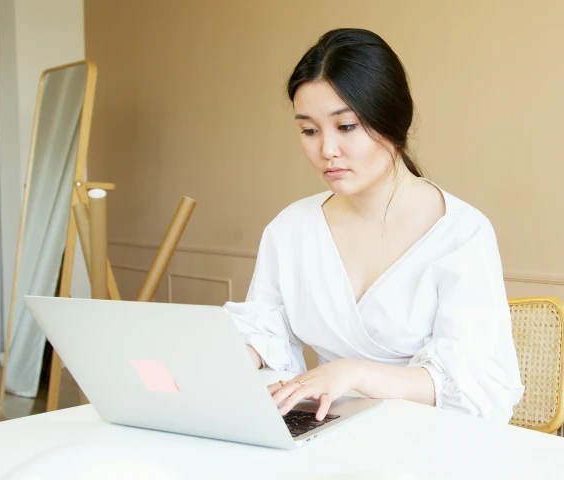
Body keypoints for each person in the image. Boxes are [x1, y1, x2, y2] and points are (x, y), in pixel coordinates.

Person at [224, 28, 523, 423]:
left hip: (428, 443)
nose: (327, 150)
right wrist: (226, 358)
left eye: (346, 126)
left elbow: (477, 385)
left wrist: (354, 372)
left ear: (393, 120)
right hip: (326, 432)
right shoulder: (290, 229)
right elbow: (265, 330)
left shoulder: (461, 233)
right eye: (309, 130)